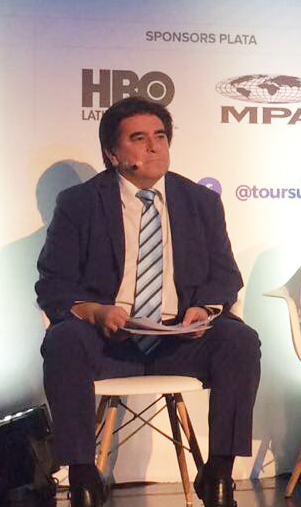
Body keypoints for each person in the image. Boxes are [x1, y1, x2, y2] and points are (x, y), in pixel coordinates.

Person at [36, 97, 261, 507]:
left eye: (160, 136)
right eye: (138, 138)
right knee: (63, 341)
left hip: (181, 337)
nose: (155, 146)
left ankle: (219, 472)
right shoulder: (79, 203)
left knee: (240, 340)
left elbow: (225, 276)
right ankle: (83, 475)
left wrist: (204, 309)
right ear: (112, 153)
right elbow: (53, 283)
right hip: (108, 338)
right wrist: (95, 311)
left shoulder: (200, 201)